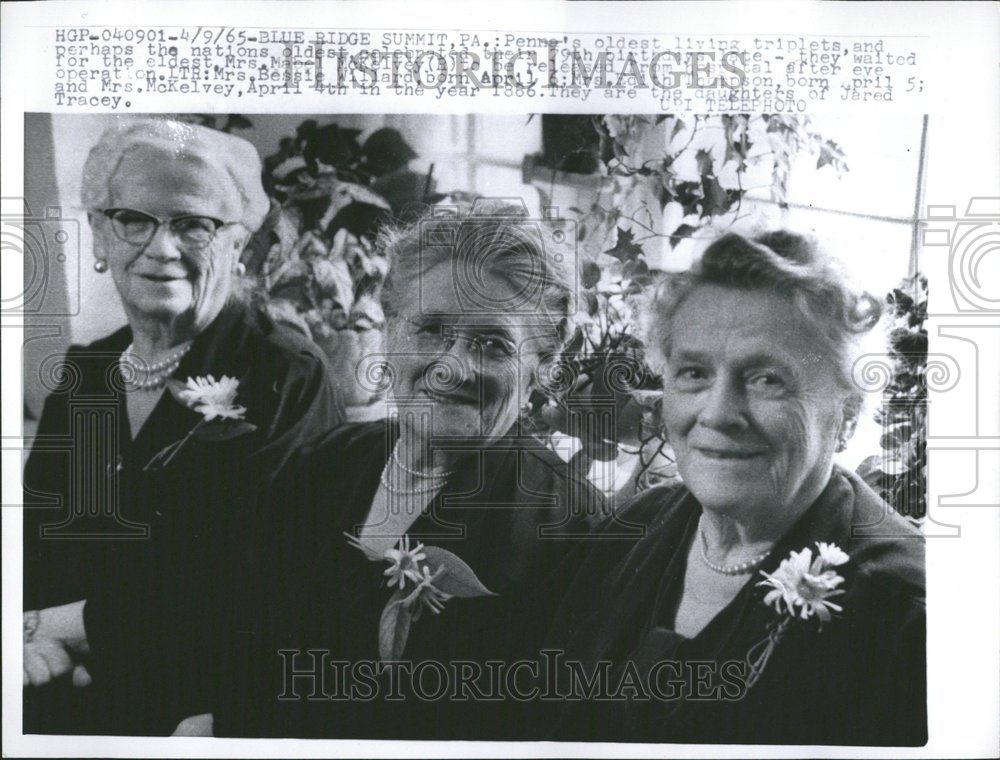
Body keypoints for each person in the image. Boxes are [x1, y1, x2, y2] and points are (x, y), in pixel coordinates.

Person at [199, 203, 610, 738]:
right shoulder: (326, 463)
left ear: (539, 368)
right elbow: (247, 640)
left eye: (493, 344)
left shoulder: (574, 530)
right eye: (432, 329)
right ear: (391, 333)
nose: (452, 365)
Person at [22, 118, 343, 735]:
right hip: (60, 688)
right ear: (98, 235)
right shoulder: (89, 372)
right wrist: (32, 636)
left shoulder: (283, 374)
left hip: (205, 709)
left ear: (239, 244)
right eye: (133, 219)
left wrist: (49, 625)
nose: (160, 248)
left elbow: (257, 588)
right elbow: (36, 545)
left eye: (194, 224)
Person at [548, 231, 926, 746]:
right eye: (694, 373)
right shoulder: (630, 527)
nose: (718, 413)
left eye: (768, 379)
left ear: (848, 412)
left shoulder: (904, 611)